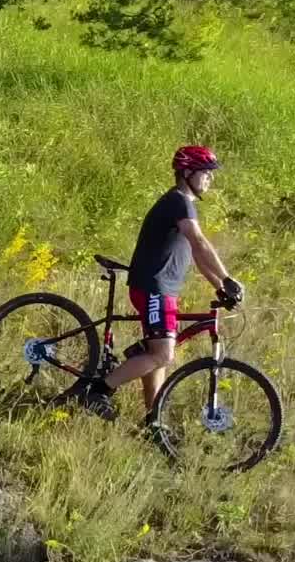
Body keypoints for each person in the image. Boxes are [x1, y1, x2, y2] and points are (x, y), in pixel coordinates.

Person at [68, 145, 244, 426]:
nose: (210, 179)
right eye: (206, 174)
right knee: (163, 353)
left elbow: (198, 256)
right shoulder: (179, 201)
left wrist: (220, 288)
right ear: (187, 173)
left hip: (164, 290)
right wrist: (226, 278)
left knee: (157, 354)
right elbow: (199, 242)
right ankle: (97, 391)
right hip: (154, 287)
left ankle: (153, 419)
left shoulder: (185, 207)